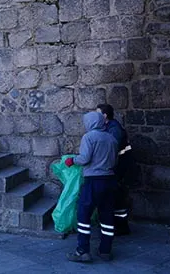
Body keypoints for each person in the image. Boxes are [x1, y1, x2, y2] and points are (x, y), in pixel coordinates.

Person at [65, 112, 118, 262]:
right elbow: (115, 161)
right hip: (110, 180)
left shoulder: (89, 137)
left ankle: (82, 251)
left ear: (90, 123)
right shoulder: (111, 138)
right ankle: (105, 251)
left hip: (93, 181)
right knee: (107, 215)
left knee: (83, 214)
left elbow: (85, 158)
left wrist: (72, 160)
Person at [96, 104, 138, 236]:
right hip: (117, 167)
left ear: (104, 116)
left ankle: (120, 226)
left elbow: (112, 149)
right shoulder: (110, 127)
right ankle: (117, 224)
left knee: (117, 198)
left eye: (98, 114)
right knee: (116, 197)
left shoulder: (114, 129)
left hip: (119, 168)